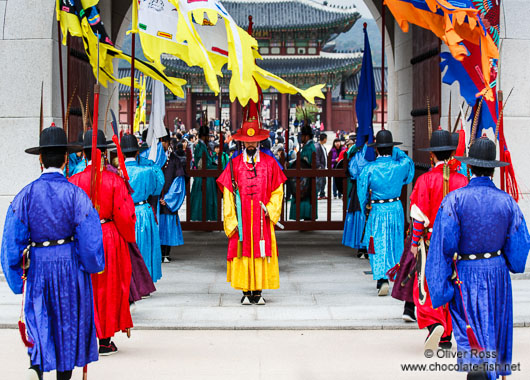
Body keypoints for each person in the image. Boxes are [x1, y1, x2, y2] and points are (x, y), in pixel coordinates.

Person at [1, 126, 104, 380]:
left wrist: (15, 279)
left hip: (38, 265)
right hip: (69, 265)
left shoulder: (25, 196)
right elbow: (91, 242)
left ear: (40, 159)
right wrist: (91, 265)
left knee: (39, 320)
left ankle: (36, 368)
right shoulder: (77, 195)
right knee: (67, 325)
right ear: (66, 159)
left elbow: (10, 243)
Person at [426, 136, 530, 380]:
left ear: (468, 166)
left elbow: (442, 246)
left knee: (471, 334)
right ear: (493, 169)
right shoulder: (508, 202)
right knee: (494, 329)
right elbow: (520, 245)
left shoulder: (454, 200)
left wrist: (440, 287)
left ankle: (479, 374)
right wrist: (510, 264)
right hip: (497, 272)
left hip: (467, 274)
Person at [397, 128, 468, 351]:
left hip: (431, 242)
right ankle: (447, 336)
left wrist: (415, 243)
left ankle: (435, 323)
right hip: (457, 244)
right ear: (451, 153)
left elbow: (418, 217)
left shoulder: (425, 180)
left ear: (433, 155)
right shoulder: (463, 180)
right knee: (452, 284)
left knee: (428, 285)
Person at [70, 129, 136, 355]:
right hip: (108, 235)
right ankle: (105, 339)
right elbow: (126, 215)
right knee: (107, 287)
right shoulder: (115, 181)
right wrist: (128, 236)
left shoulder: (73, 181)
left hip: (81, 237)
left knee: (84, 286)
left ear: (85, 153)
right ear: (104, 153)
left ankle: (84, 335)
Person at [217, 115, 287, 305]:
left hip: (261, 218)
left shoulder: (269, 163)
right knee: (243, 251)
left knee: (261, 251)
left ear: (259, 141)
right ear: (241, 142)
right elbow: (228, 194)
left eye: (254, 141)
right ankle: (246, 291)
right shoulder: (234, 164)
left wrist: (271, 210)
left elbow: (277, 191)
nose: (250, 144)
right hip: (242, 218)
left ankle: (258, 290)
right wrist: (232, 220)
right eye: (247, 141)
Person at [358, 130, 414, 296]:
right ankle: (395, 276)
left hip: (377, 209)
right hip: (395, 207)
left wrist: (365, 208)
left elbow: (362, 192)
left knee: (377, 243)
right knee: (396, 242)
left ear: (376, 150)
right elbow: (409, 165)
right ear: (391, 148)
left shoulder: (370, 168)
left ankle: (382, 278)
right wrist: (396, 152)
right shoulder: (399, 166)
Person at [121, 134, 165, 281]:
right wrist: (153, 165)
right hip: (142, 212)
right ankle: (144, 283)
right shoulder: (146, 170)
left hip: (123, 213)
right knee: (144, 248)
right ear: (137, 152)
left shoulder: (117, 173)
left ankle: (128, 282)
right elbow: (157, 188)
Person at [158, 131, 186, 263]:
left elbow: (179, 182)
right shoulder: (153, 159)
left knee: (167, 224)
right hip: (155, 199)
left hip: (167, 200)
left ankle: (166, 253)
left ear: (168, 142)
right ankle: (158, 253)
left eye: (163, 141)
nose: (161, 144)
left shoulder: (174, 160)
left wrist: (168, 199)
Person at [342, 143, 369, 254]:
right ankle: (366, 245)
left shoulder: (357, 154)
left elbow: (352, 171)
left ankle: (361, 244)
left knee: (360, 214)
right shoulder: (373, 153)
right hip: (370, 188)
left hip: (358, 188)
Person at [289, 125, 317, 220]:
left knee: (306, 198)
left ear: (307, 136)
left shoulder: (309, 148)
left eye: (302, 136)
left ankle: (307, 218)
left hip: (306, 179)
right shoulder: (306, 147)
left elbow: (305, 163)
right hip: (303, 177)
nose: (301, 138)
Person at [190, 125, 218, 221]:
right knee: (205, 200)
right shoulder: (200, 147)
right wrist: (216, 167)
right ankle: (206, 219)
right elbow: (204, 164)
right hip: (204, 176)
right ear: (204, 136)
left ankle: (205, 219)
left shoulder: (202, 146)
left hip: (204, 175)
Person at [315, 133, 328, 199]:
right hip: (320, 167)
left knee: (323, 181)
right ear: (324, 139)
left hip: (324, 167)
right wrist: (319, 166)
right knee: (318, 182)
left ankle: (322, 193)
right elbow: (317, 158)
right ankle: (316, 194)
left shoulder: (322, 146)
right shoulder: (317, 147)